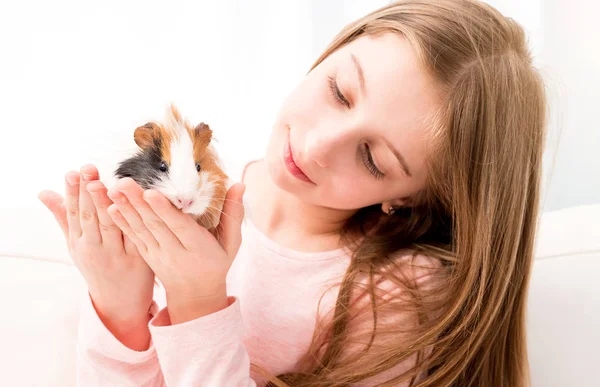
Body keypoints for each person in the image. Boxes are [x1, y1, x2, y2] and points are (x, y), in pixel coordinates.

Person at [38, 0, 548, 385]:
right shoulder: (193, 192)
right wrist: (118, 309)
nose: (318, 145)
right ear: (332, 52)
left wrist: (197, 302)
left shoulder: (395, 296)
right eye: (338, 92)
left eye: (372, 158)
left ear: (412, 196)